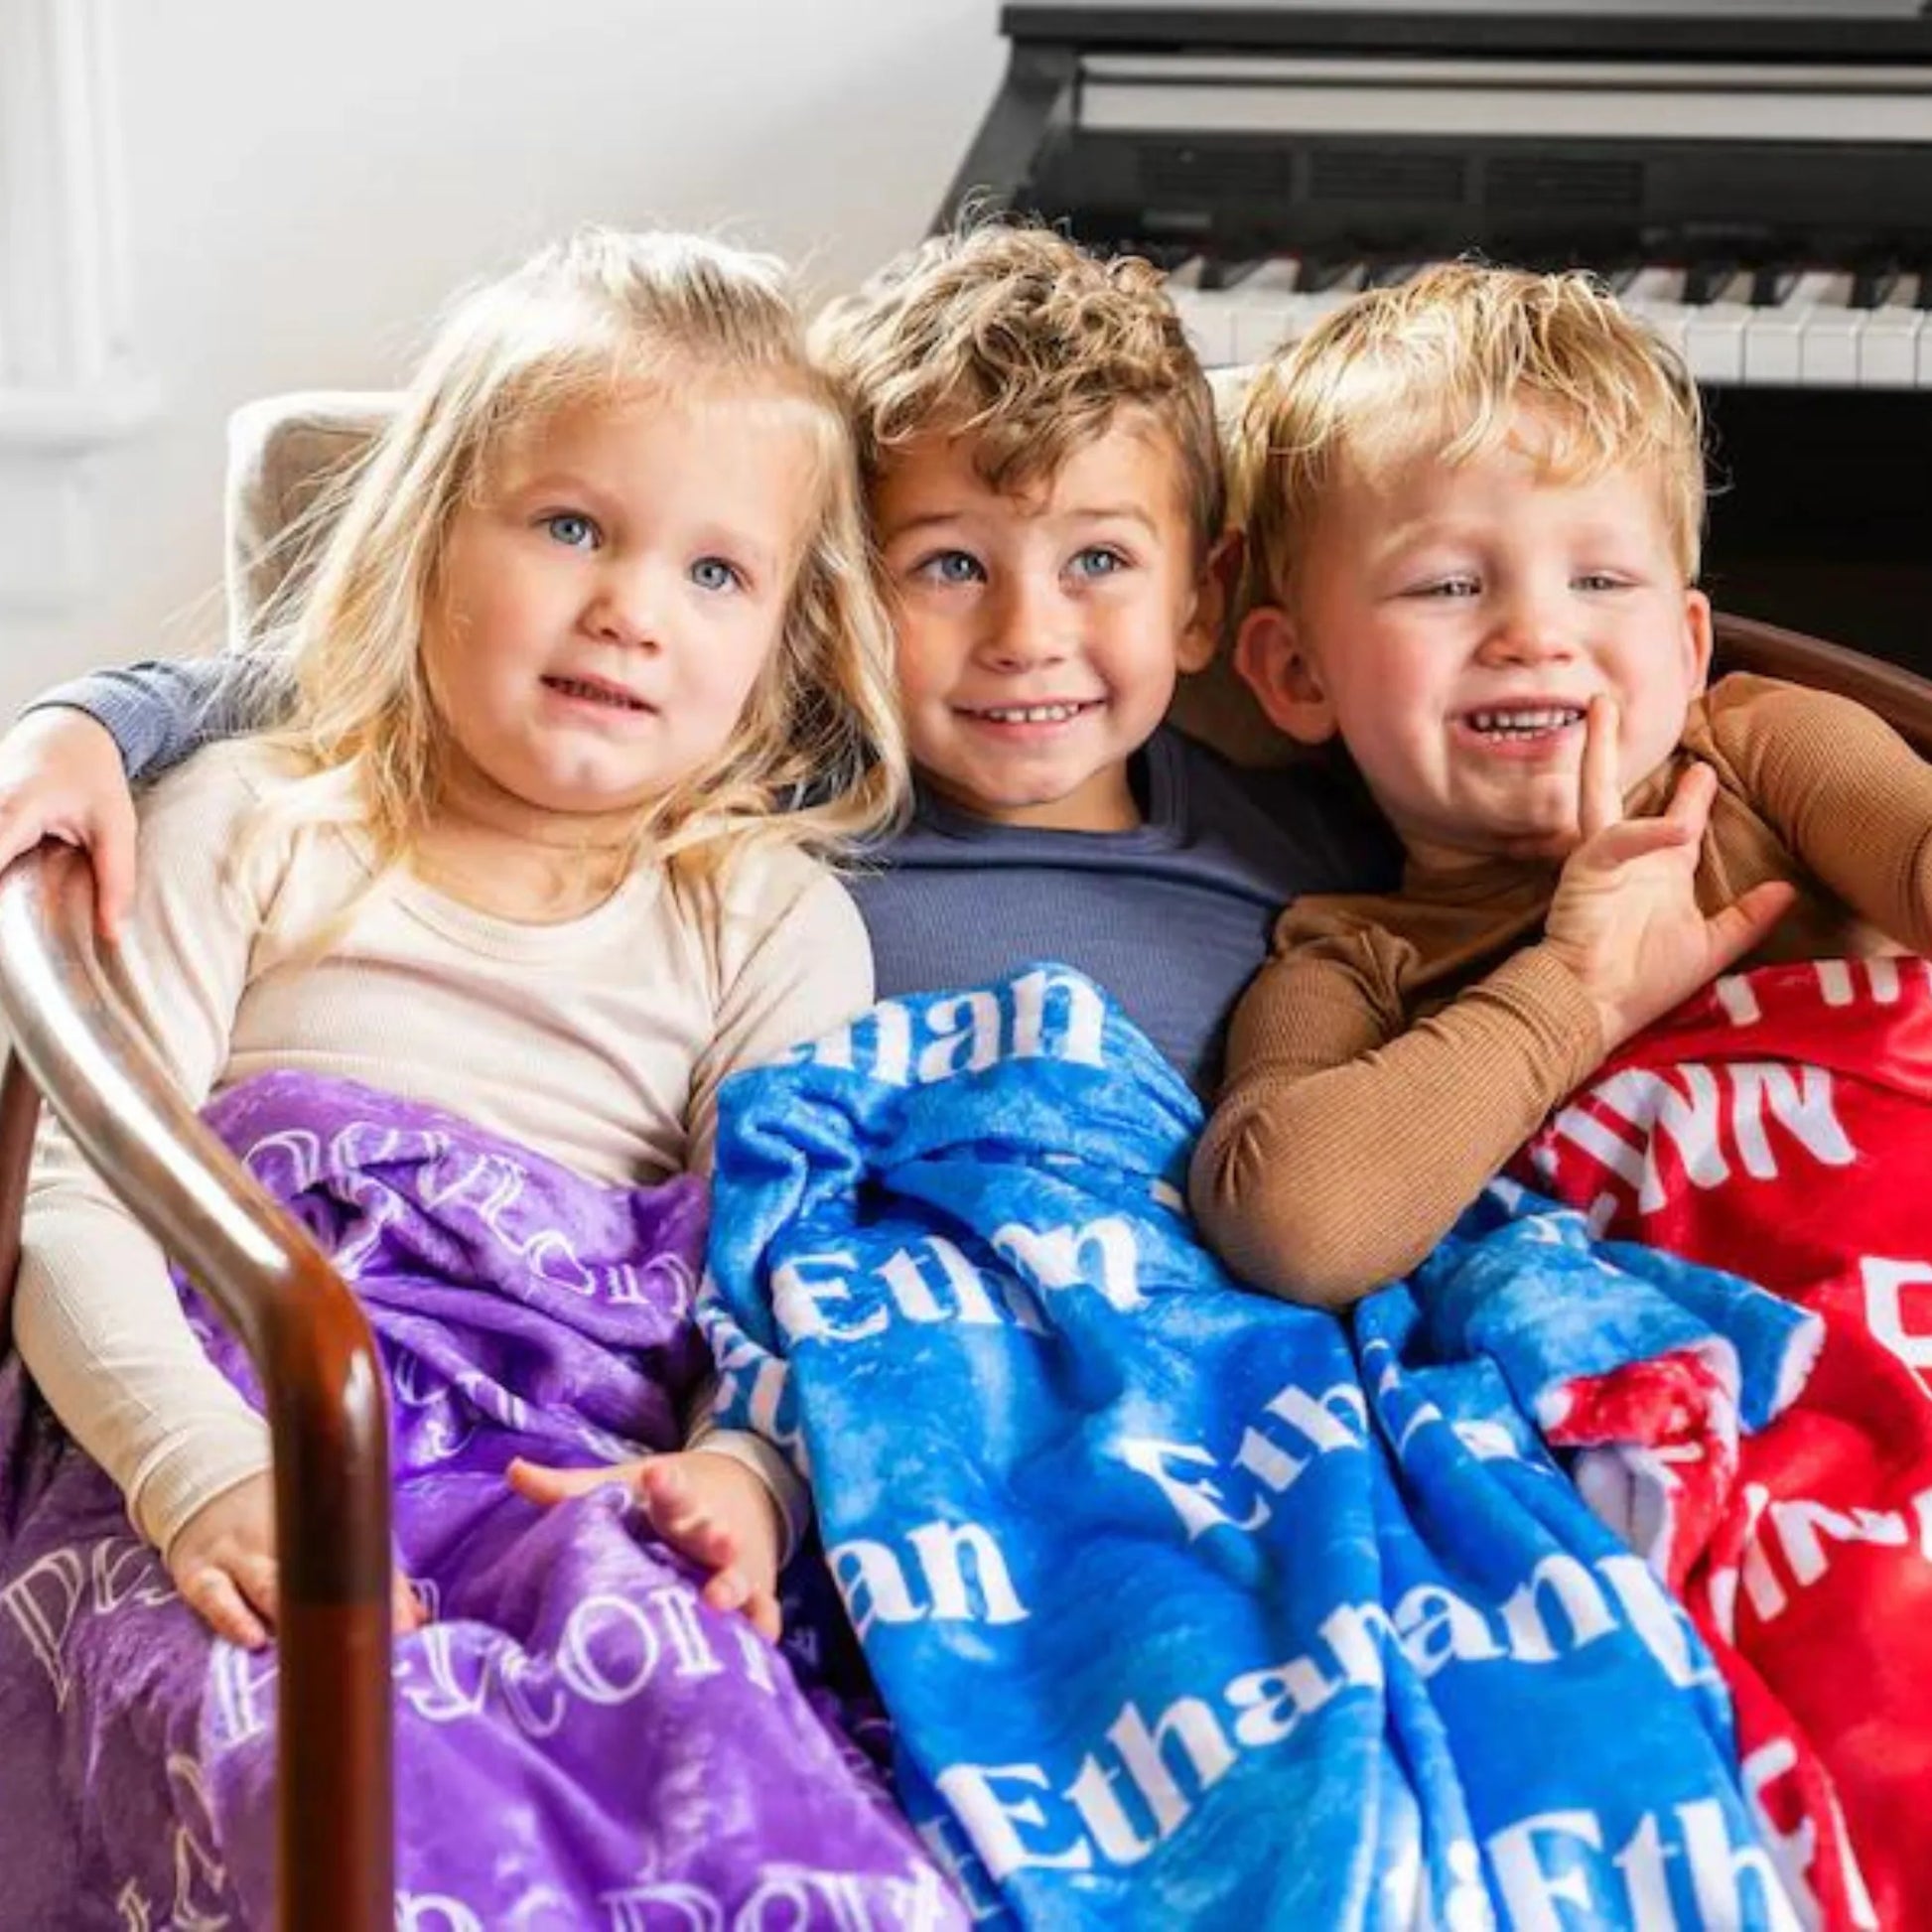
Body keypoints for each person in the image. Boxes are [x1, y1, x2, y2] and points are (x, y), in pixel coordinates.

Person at [11, 224, 905, 1649]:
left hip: (574, 1485)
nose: (628, 611)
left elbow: (792, 1270)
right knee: (256, 1738)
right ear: (426, 541)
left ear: (787, 645)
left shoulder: (770, 920)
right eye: (571, 528)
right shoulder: (254, 822)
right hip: (229, 1431)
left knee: (685, 1766)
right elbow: (76, 1195)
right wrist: (202, 1470)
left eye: (716, 575)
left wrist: (744, 1470)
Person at [0, 223, 1395, 1100]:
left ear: (1203, 600)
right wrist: (93, 719)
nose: (1026, 634)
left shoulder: (1299, 839)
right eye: (951, 566)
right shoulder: (775, 760)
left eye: (1097, 563)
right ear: (834, 593)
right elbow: (379, 684)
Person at [1188, 260, 1932, 1308]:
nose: (1534, 634)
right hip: (1702, 1393)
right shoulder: (1354, 960)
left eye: (1598, 580)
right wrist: (1579, 988)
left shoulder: (1758, 754)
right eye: (1446, 584)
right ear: (1297, 673)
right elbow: (1296, 1230)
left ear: (1683, 650)